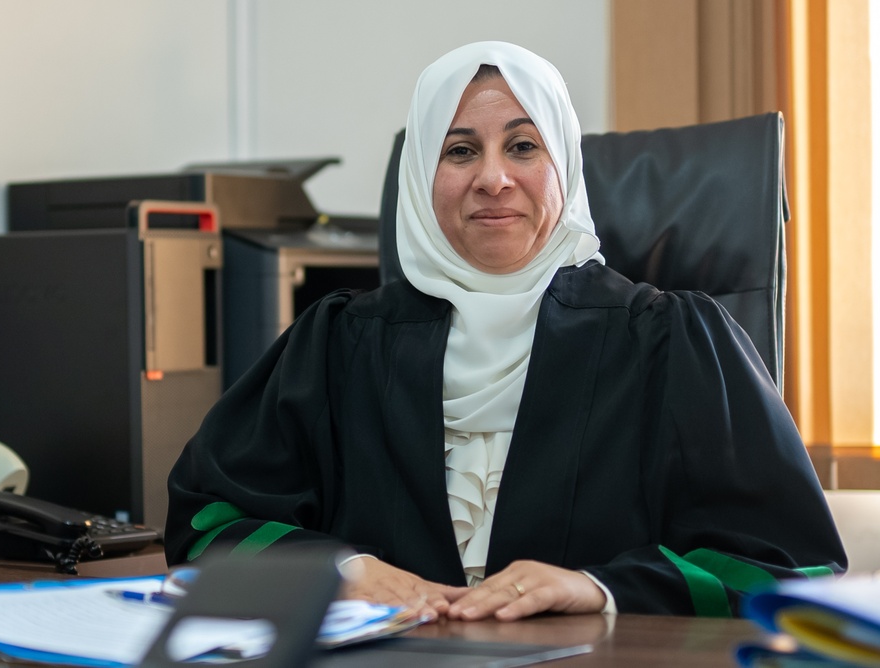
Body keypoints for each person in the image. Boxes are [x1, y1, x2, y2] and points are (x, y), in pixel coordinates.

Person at [165, 41, 846, 621]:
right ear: (421, 178)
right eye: (460, 151)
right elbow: (208, 523)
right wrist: (342, 569)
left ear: (565, 170)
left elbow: (790, 565)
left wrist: (599, 588)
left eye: (522, 146)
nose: (493, 179)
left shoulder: (671, 342)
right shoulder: (339, 344)